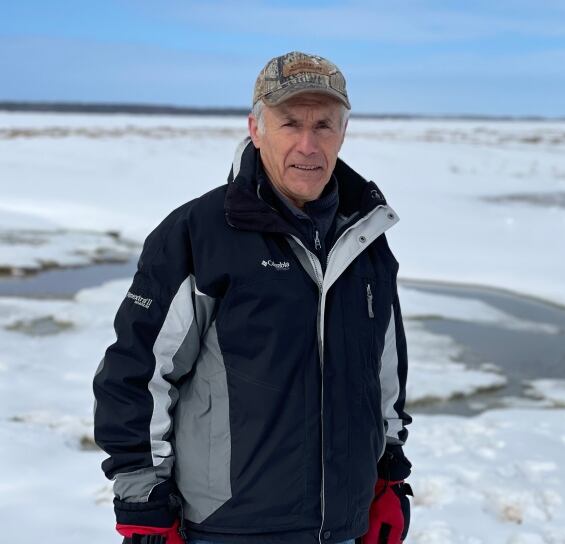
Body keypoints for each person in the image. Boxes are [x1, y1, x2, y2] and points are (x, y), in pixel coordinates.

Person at [93, 51, 413, 544]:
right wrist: (141, 500)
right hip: (229, 527)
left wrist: (389, 472)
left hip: (343, 526)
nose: (308, 145)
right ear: (256, 128)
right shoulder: (199, 235)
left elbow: (384, 378)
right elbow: (138, 373)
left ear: (343, 132)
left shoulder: (366, 240)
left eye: (324, 125)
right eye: (290, 123)